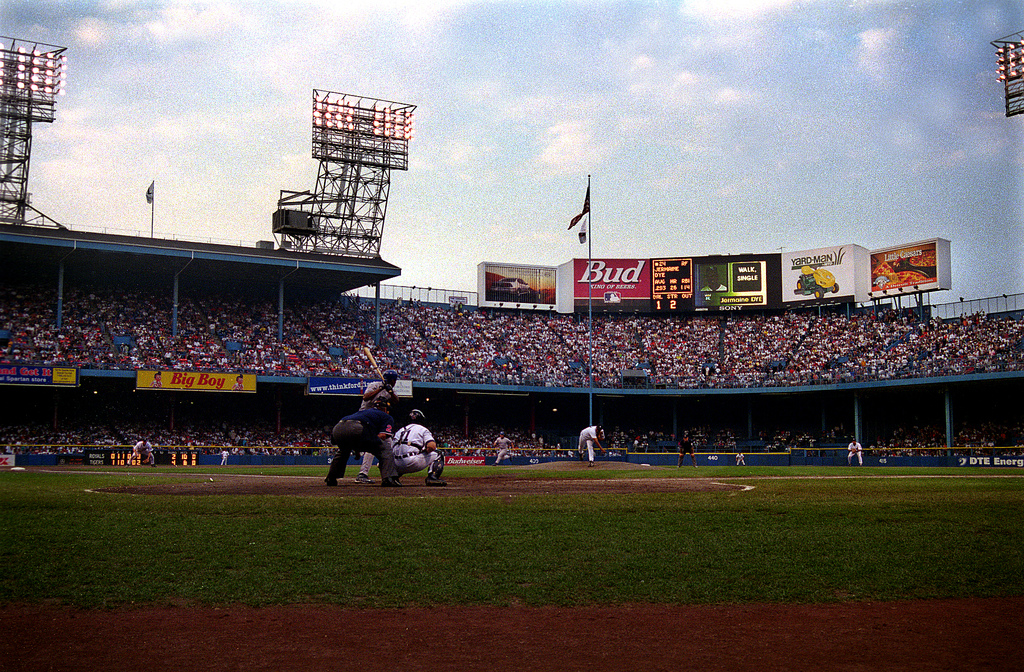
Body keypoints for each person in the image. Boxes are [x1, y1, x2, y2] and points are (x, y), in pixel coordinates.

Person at [325, 398, 399, 487]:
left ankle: (331, 477)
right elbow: (383, 436)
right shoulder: (386, 416)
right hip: (357, 428)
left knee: (343, 451)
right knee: (385, 449)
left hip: (338, 427)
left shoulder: (365, 412)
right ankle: (388, 478)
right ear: (385, 409)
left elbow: (352, 435)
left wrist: (358, 448)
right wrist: (371, 443)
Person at [354, 370, 400, 484]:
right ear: (393, 380)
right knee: (374, 444)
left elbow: (396, 401)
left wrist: (390, 391)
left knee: (389, 443)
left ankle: (389, 472)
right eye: (395, 380)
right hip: (365, 418)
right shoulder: (374, 385)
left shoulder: (389, 389)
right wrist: (381, 388)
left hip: (377, 421)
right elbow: (365, 397)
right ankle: (362, 474)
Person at [391, 409, 446, 486]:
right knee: (439, 453)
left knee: (399, 457)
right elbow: (432, 446)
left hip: (395, 465)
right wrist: (424, 451)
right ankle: (433, 478)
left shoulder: (400, 430)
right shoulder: (422, 429)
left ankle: (392, 478)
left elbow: (391, 449)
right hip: (411, 462)